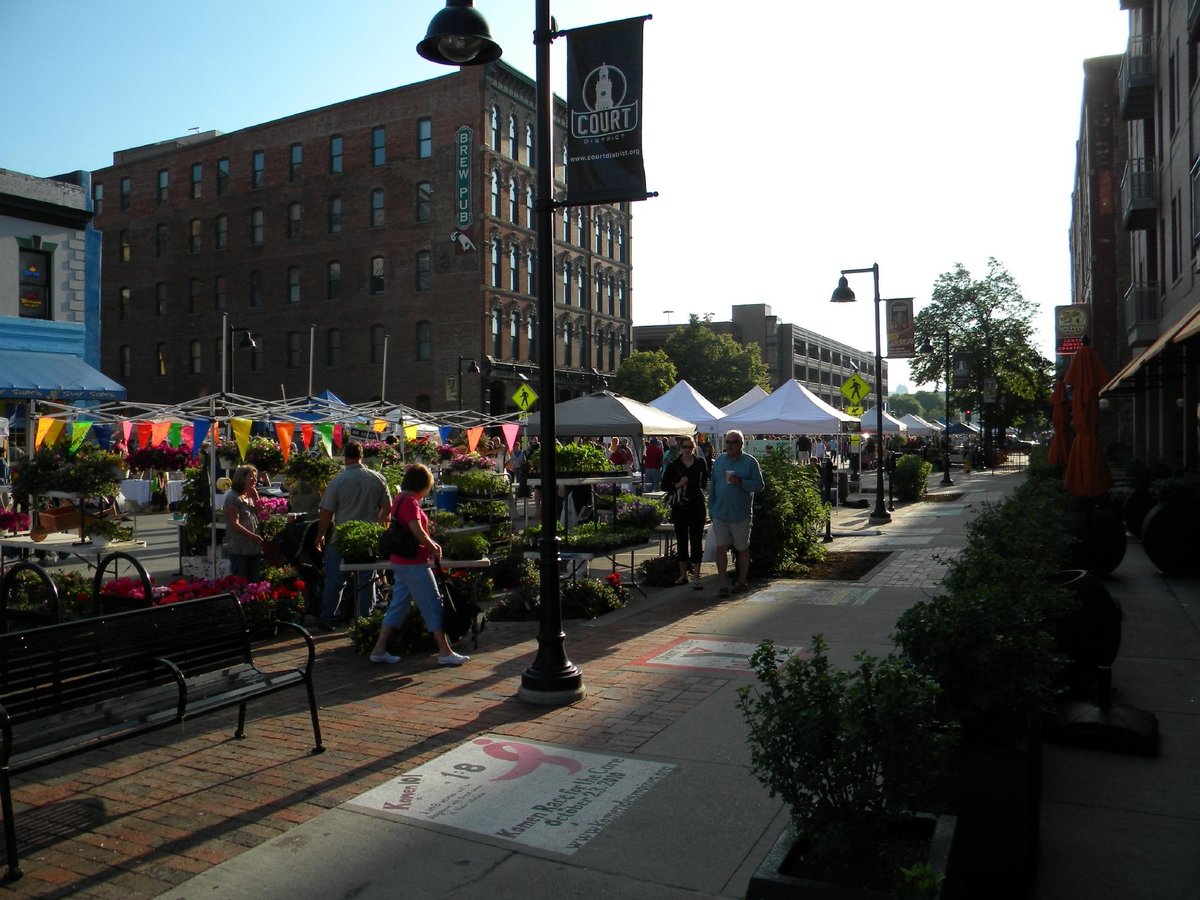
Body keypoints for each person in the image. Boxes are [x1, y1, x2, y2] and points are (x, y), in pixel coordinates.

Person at [368, 464, 469, 667]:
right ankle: (445, 651)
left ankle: (379, 649)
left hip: (400, 562)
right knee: (432, 604)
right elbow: (417, 531)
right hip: (414, 563)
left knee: (397, 606)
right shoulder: (410, 503)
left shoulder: (399, 499)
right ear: (422, 484)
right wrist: (433, 546)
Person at [314, 441, 392, 630]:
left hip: (342, 536)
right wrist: (378, 526)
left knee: (335, 579)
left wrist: (320, 535)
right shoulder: (377, 478)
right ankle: (366, 619)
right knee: (367, 579)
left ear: (345, 457)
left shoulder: (338, 481)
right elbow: (388, 507)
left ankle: (328, 619)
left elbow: (326, 512)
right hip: (367, 537)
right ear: (361, 456)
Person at [708, 429, 764, 597]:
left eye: (734, 442)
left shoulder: (749, 462)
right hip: (720, 513)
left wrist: (741, 482)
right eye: (728, 442)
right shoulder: (719, 461)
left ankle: (741, 581)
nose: (730, 445)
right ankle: (723, 584)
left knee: (742, 548)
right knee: (720, 548)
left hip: (740, 514)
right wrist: (711, 508)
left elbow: (759, 486)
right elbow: (713, 487)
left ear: (741, 444)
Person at [662, 435, 708, 588]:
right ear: (680, 448)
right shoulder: (674, 464)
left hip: (696, 504)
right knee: (681, 541)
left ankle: (696, 576)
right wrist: (678, 484)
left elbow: (704, 482)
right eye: (685, 447)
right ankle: (683, 575)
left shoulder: (700, 462)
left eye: (690, 447)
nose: (688, 450)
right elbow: (664, 485)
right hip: (680, 506)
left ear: (694, 447)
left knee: (696, 541)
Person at [223, 464, 264, 582]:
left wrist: (256, 498)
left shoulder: (250, 495)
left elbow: (261, 515)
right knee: (240, 581)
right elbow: (234, 523)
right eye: (251, 476)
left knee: (254, 580)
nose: (255, 479)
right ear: (242, 478)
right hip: (240, 547)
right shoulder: (233, 497)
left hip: (254, 547)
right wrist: (253, 536)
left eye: (256, 477)